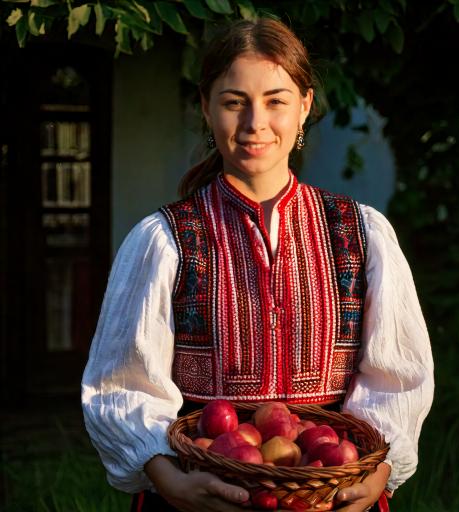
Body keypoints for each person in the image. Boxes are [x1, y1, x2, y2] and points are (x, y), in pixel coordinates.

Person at [81, 17, 434, 512]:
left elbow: (395, 379)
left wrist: (376, 474)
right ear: (206, 108)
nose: (255, 124)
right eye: (233, 102)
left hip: (329, 492)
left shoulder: (360, 234)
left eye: (276, 100)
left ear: (305, 105)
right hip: (200, 490)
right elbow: (122, 384)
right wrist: (168, 480)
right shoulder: (163, 241)